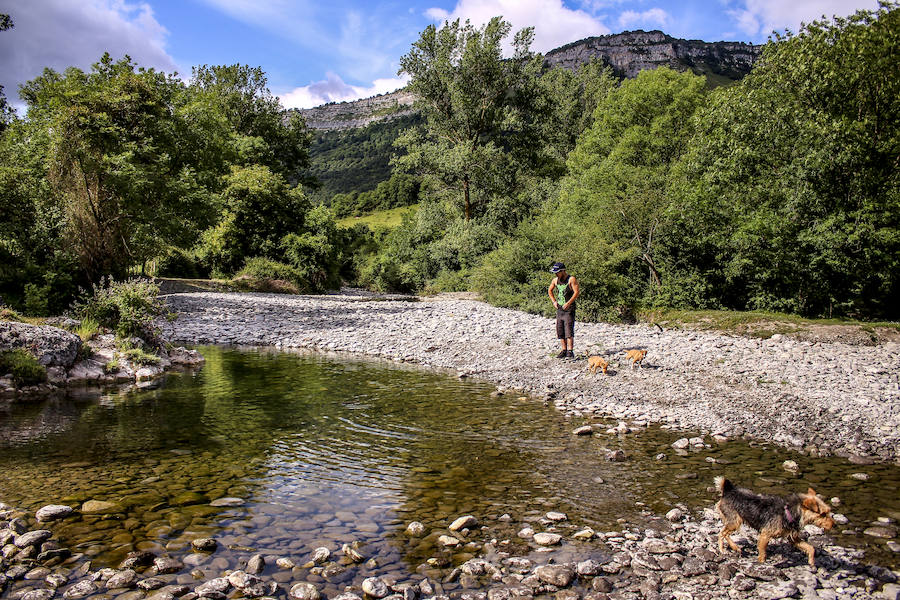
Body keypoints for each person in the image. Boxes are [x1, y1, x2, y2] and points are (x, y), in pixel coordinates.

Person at [548, 262, 579, 359]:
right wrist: (554, 302)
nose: (556, 274)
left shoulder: (571, 279)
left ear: (563, 271)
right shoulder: (555, 280)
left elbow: (576, 292)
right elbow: (550, 290)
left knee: (568, 329)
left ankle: (570, 351)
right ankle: (563, 350)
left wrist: (568, 303)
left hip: (569, 308)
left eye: (557, 272)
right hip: (560, 308)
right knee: (560, 329)